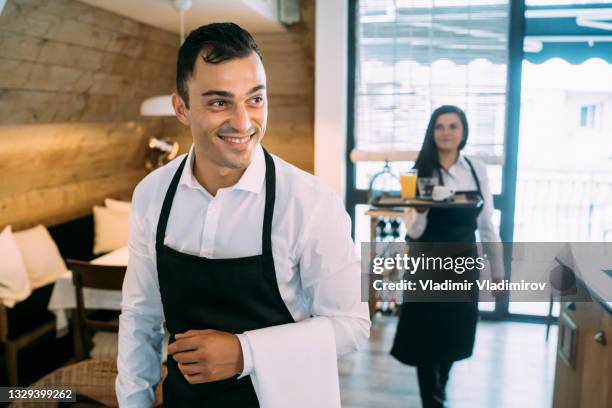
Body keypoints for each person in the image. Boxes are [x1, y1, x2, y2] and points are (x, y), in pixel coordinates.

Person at [115, 23, 370, 407]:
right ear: (181, 108)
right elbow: (141, 318)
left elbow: (352, 326)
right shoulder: (152, 194)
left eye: (255, 99)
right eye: (219, 102)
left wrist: (243, 352)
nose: (243, 121)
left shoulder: (311, 202)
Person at [390, 105, 503, 408]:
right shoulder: (416, 173)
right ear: (432, 132)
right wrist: (422, 206)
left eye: (453, 126)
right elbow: (413, 229)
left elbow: (486, 223)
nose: (446, 132)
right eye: (440, 126)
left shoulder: (477, 170)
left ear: (463, 132)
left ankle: (441, 388)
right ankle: (433, 401)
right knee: (427, 339)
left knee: (454, 336)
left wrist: (498, 267)